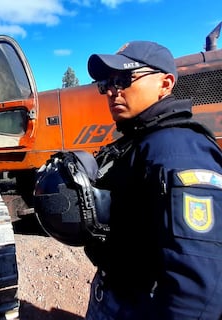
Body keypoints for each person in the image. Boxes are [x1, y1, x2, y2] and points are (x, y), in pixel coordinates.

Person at [84, 41, 222, 319]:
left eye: (124, 79)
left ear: (165, 83)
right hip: (117, 294)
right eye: (106, 83)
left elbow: (196, 289)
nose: (111, 91)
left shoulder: (179, 152)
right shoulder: (141, 141)